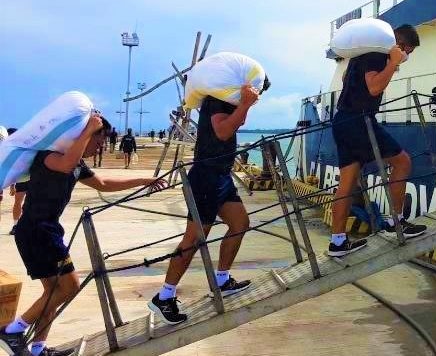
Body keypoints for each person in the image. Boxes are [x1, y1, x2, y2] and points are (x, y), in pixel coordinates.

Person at [0, 114, 166, 356]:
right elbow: (65, 165)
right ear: (83, 136)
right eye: (98, 141)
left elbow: (104, 184)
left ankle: (37, 350)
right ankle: (13, 331)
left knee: (53, 293)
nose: (100, 147)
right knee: (69, 287)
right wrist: (89, 129)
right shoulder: (50, 156)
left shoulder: (76, 165)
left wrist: (144, 180)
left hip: (44, 230)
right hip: (38, 231)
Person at [148, 80, 267, 325]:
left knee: (240, 223)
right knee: (193, 239)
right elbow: (222, 131)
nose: (258, 96)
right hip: (206, 177)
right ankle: (164, 296)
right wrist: (245, 103)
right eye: (259, 90)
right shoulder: (215, 100)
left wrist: (244, 105)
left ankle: (222, 281)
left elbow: (237, 123)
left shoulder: (229, 101)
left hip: (221, 176)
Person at [327, 24, 427, 257]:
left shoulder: (362, 55)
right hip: (360, 121)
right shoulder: (378, 55)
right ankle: (396, 222)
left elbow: (346, 78)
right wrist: (392, 63)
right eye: (407, 51)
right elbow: (373, 88)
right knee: (402, 162)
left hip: (343, 120)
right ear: (399, 44)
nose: (406, 57)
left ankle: (337, 242)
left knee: (347, 183)